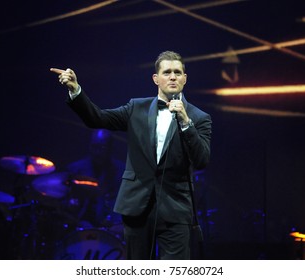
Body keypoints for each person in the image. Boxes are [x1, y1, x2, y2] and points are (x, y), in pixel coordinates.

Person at [50, 51, 212, 260]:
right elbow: (97, 118)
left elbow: (202, 160)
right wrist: (76, 90)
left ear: (185, 78)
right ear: (156, 78)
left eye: (177, 72)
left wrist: (186, 123)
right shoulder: (137, 107)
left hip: (176, 209)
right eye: (167, 72)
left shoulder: (199, 118)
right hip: (137, 206)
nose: (173, 76)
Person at [65, 129, 125, 229]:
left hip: (110, 230)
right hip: (80, 228)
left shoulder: (121, 172)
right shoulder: (75, 170)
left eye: (102, 147)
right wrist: (78, 222)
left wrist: (115, 224)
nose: (97, 152)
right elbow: (67, 207)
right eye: (94, 147)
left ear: (110, 149)